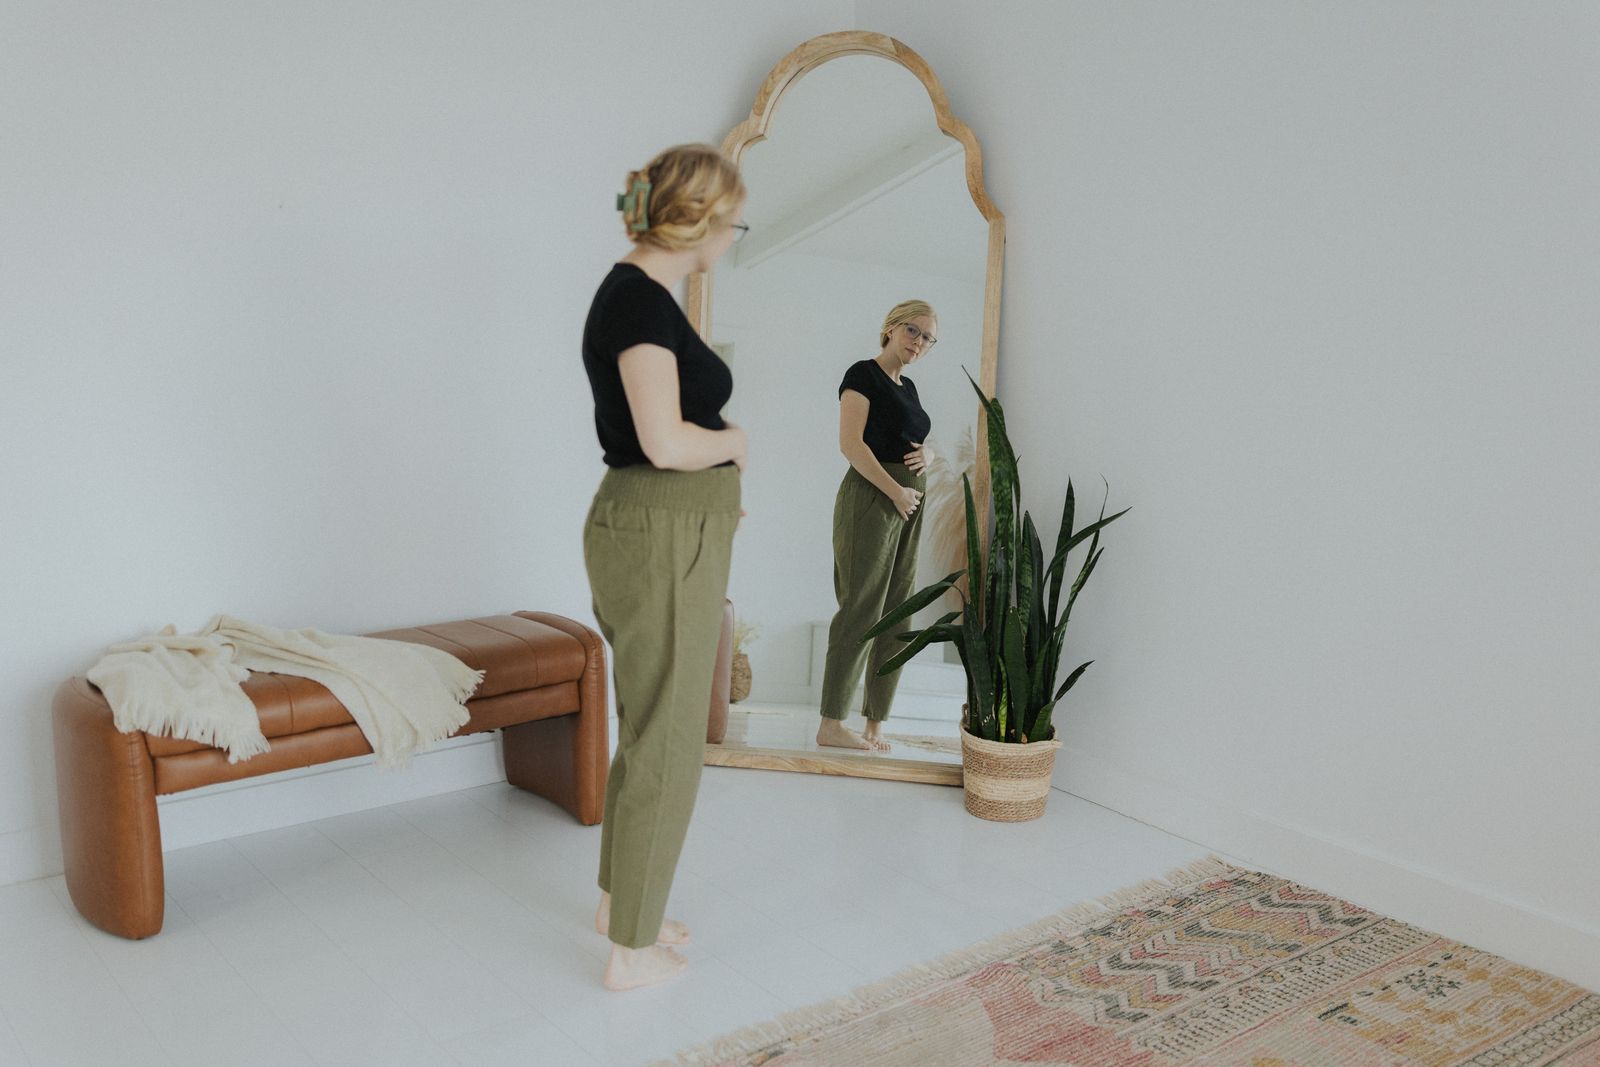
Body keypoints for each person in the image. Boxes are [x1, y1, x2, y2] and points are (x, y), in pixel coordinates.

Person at [580, 144, 748, 991]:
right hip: (661, 525)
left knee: (649, 725)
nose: (734, 237)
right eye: (734, 222)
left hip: (657, 524)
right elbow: (666, 442)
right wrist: (737, 444)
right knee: (672, 739)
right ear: (704, 223)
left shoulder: (633, 295)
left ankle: (621, 905)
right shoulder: (642, 305)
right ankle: (632, 951)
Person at [817, 300, 938, 753]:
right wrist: (895, 491)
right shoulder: (861, 374)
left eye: (927, 338)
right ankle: (831, 724)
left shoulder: (910, 388)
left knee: (897, 612)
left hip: (910, 501)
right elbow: (850, 444)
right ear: (890, 327)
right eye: (913, 330)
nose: (918, 342)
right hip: (873, 497)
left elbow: (919, 444)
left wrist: (931, 456)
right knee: (861, 607)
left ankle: (874, 724)